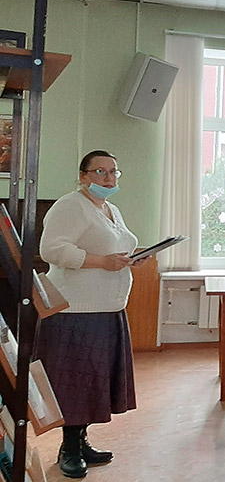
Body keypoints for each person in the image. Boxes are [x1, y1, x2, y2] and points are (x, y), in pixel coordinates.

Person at [38, 151, 143, 478]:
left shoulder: (110, 209)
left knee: (94, 380)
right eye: (100, 171)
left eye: (113, 172)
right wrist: (102, 262)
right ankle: (68, 448)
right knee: (74, 381)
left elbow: (114, 248)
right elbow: (51, 249)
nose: (108, 178)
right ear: (83, 176)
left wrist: (130, 258)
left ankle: (81, 441)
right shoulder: (71, 205)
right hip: (76, 311)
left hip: (108, 309)